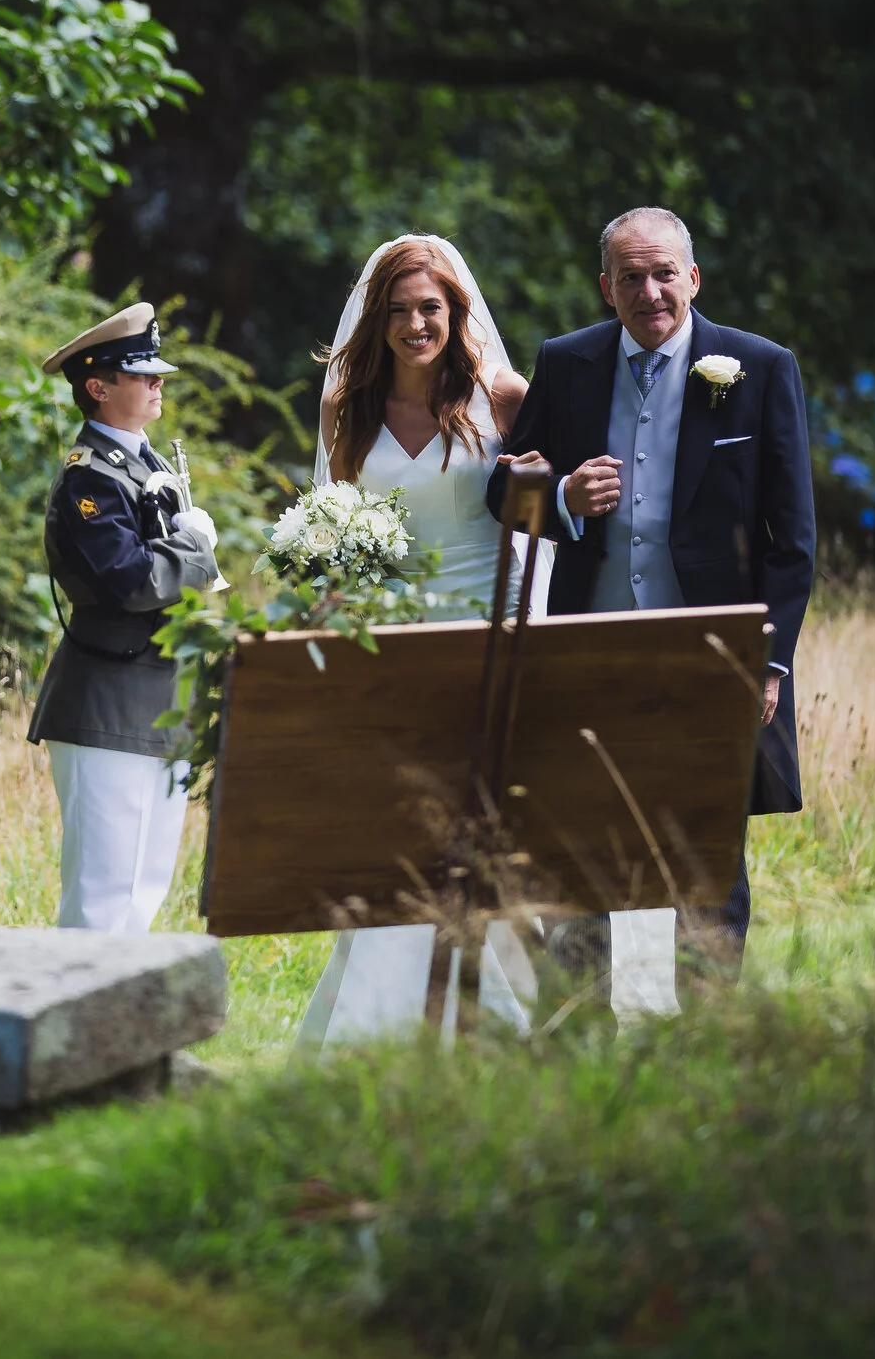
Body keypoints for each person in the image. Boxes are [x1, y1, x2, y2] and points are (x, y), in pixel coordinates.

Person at [489, 205, 816, 1005]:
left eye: (664, 272)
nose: (650, 291)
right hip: (587, 653)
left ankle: (703, 1044)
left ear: (693, 277)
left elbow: (794, 539)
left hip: (711, 661)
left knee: (705, 865)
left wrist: (766, 661)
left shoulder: (760, 367)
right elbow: (502, 486)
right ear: (606, 287)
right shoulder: (565, 365)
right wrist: (560, 497)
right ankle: (579, 1043)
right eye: (630, 276)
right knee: (580, 856)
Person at [293, 234, 553, 1049]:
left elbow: (540, 522)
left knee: (476, 827)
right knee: (401, 823)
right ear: (379, 318)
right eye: (400, 310)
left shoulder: (504, 398)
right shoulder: (345, 408)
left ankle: (500, 1011)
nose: (415, 324)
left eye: (430, 309)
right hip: (389, 644)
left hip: (485, 636)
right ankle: (381, 1015)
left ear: (455, 313)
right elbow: (331, 532)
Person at [27, 303, 220, 933]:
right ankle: (75, 1032)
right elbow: (131, 580)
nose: (158, 382)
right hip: (109, 698)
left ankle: (116, 1033)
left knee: (142, 892)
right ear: (98, 387)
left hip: (155, 695)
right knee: (101, 900)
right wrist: (194, 548)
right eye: (143, 374)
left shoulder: (147, 465)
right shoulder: (90, 478)